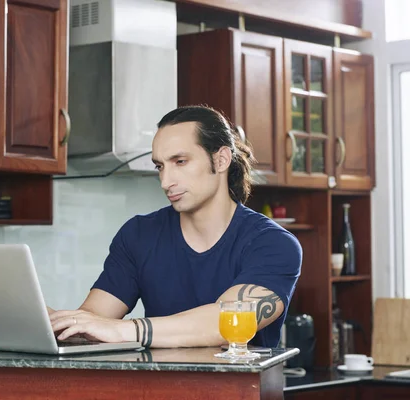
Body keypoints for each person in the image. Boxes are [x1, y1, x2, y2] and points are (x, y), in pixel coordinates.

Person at [48, 105, 302, 349]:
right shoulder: (138, 235)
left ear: (222, 159)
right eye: (160, 166)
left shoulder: (273, 244)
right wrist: (55, 322)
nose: (165, 181)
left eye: (180, 161)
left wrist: (121, 330)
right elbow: (94, 319)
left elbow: (226, 323)